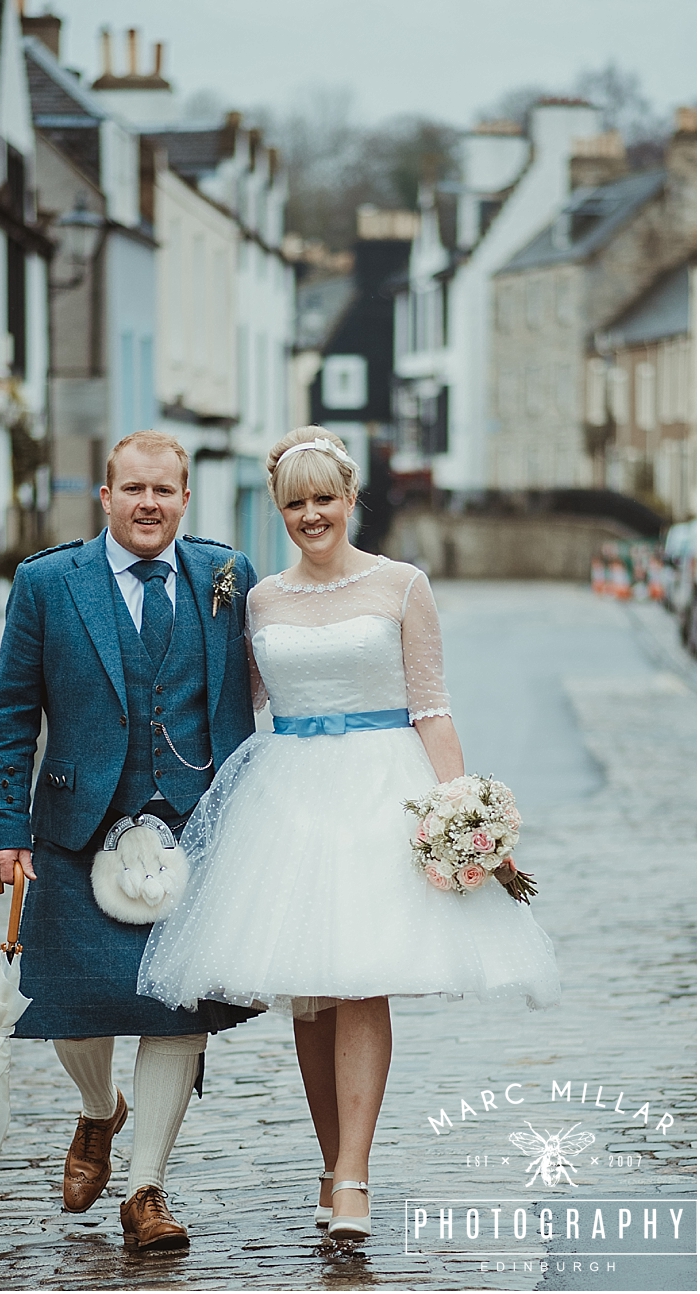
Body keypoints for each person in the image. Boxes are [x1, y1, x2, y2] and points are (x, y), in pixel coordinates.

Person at [138, 426, 560, 1243]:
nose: (310, 515)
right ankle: (330, 1164)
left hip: (382, 792)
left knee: (363, 979)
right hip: (289, 799)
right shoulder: (260, 600)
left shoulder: (402, 585)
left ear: (350, 496)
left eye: (323, 498)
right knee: (311, 991)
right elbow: (238, 705)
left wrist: (463, 812)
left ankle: (357, 1176)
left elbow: (431, 707)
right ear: (280, 509)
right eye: (294, 503)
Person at [0, 430, 260, 1252]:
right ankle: (100, 1111)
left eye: (164, 491)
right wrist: (4, 827)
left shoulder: (224, 575)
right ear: (106, 496)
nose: (148, 504)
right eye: (132, 489)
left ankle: (146, 1190)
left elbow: (251, 692)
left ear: (183, 498)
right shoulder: (46, 582)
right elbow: (9, 713)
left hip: (193, 823)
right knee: (71, 1007)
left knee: (177, 1009)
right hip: (76, 826)